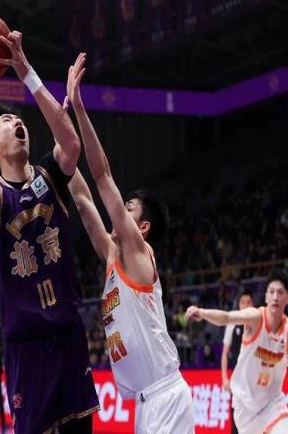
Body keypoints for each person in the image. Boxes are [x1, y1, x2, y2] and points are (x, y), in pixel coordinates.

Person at [0, 36, 99, 433]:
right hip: (28, 346)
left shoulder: (49, 176)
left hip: (68, 333)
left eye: (19, 121)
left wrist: (25, 71)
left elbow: (71, 144)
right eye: (7, 122)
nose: (17, 122)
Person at [66, 53, 194, 433]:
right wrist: (61, 128)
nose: (120, 210)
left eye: (128, 208)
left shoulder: (139, 252)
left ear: (143, 227)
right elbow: (83, 199)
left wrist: (79, 108)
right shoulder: (112, 255)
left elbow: (101, 176)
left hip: (165, 395)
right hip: (144, 402)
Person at [186, 270, 288, 434]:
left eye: (280, 293)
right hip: (245, 407)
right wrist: (203, 313)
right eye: (272, 292)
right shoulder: (255, 317)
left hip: (273, 404)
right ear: (266, 297)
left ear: (287, 298)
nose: (275, 297)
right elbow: (226, 317)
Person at [221, 291, 253, 434]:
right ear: (239, 305)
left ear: (253, 304)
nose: (245, 305)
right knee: (236, 419)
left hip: (253, 380)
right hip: (237, 381)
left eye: (248, 302)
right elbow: (224, 354)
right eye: (243, 302)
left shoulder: (258, 324)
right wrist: (224, 378)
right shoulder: (232, 324)